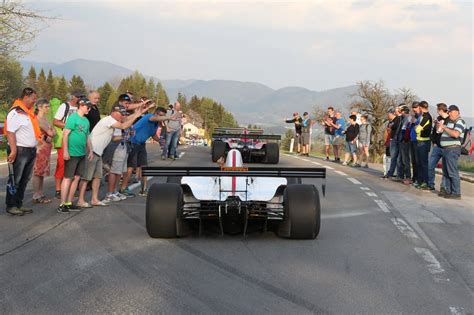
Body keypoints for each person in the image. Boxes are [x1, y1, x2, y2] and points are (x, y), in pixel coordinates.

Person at [77, 103, 151, 207]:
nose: (122, 116)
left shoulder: (113, 120)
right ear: (114, 112)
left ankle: (94, 199)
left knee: (97, 177)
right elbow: (123, 125)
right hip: (92, 151)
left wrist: (137, 114)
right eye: (121, 113)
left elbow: (125, 121)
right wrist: (136, 116)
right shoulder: (109, 120)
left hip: (98, 152)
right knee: (86, 177)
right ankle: (80, 200)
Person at [120, 107, 175, 197]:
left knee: (144, 166)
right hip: (133, 142)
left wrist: (160, 141)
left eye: (163, 116)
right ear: (156, 113)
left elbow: (153, 134)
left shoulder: (156, 124)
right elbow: (155, 118)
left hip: (141, 144)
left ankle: (144, 189)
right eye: (160, 115)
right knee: (130, 166)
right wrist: (169, 118)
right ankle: (123, 188)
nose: (161, 118)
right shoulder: (150, 116)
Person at [4, 88, 40, 216]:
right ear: (25, 97)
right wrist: (13, 150)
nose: (34, 101)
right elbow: (10, 132)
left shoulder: (29, 112)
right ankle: (11, 205)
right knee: (15, 179)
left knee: (25, 179)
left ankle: (19, 203)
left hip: (30, 150)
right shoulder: (15, 112)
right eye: (33, 99)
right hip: (19, 150)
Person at [57, 98, 92, 213]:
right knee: (68, 177)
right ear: (81, 105)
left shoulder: (86, 121)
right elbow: (65, 134)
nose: (89, 109)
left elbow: (87, 137)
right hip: (72, 152)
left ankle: (69, 202)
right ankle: (62, 204)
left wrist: (90, 150)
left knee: (77, 177)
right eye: (88, 107)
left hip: (82, 153)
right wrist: (65, 150)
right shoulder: (73, 118)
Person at [53, 91, 81, 198]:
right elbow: (55, 121)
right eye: (78, 96)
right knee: (62, 164)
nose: (79, 99)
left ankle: (70, 188)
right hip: (64, 139)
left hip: (76, 140)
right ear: (73, 97)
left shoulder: (80, 107)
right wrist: (69, 126)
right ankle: (58, 190)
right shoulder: (64, 106)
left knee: (74, 164)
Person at [437, 105, 466, 199]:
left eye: (451, 112)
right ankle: (449, 191)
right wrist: (440, 127)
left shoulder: (460, 122)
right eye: (448, 112)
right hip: (446, 149)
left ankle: (456, 192)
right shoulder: (450, 122)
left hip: (453, 149)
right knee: (446, 172)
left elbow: (456, 134)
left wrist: (444, 128)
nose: (449, 113)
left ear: (457, 112)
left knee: (452, 171)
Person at [32, 98, 56, 204]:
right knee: (37, 172)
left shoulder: (45, 118)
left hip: (46, 148)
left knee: (42, 172)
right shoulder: (37, 119)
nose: (48, 108)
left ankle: (40, 193)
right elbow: (51, 132)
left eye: (48, 106)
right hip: (39, 148)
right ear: (39, 107)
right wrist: (50, 131)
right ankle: (36, 195)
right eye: (46, 106)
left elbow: (53, 131)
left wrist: (51, 131)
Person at [428, 103, 449, 191]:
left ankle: (443, 187)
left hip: (446, 147)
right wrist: (433, 141)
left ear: (440, 110)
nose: (436, 111)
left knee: (445, 169)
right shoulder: (438, 118)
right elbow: (434, 131)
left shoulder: (450, 120)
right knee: (430, 166)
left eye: (437, 109)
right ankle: (430, 184)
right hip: (437, 146)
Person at [415, 101, 433, 190]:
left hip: (423, 142)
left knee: (423, 163)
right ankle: (420, 181)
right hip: (421, 141)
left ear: (421, 108)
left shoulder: (426, 117)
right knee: (419, 163)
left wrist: (417, 127)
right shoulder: (424, 116)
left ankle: (425, 182)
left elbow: (417, 129)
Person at [385, 107, 403, 179]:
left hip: (396, 140)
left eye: (389, 114)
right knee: (393, 158)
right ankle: (391, 172)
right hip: (392, 139)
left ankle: (395, 173)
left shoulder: (398, 119)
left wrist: (391, 128)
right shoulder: (391, 121)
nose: (388, 115)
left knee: (395, 158)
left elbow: (395, 126)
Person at [397, 105, 412, 183]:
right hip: (402, 140)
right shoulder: (403, 118)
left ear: (404, 111)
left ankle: (408, 176)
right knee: (401, 159)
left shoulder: (408, 119)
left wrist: (404, 139)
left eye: (401, 111)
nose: (400, 112)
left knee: (405, 159)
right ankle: (401, 175)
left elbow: (405, 130)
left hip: (405, 141)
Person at [409, 102, 421, 184]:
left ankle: (418, 178)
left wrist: (416, 121)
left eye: (415, 107)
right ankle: (414, 177)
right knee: (413, 160)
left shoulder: (421, 116)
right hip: (412, 139)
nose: (414, 109)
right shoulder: (414, 115)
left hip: (418, 140)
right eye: (413, 107)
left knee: (417, 160)